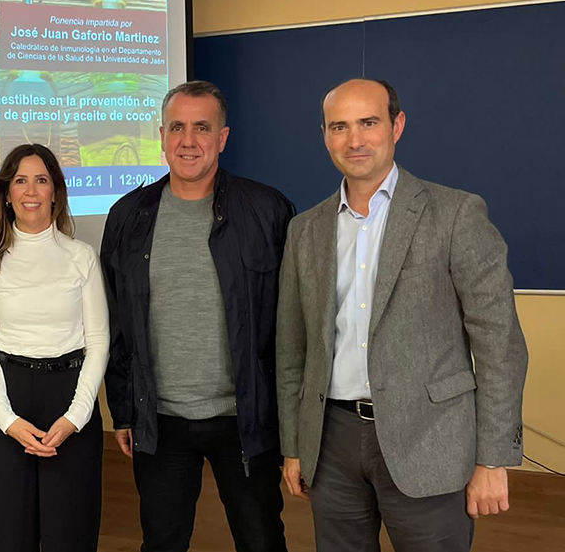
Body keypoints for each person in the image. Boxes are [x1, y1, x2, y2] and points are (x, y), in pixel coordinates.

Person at [276, 79, 528, 552]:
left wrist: (493, 459)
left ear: (397, 125)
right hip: (331, 444)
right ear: (325, 135)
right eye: (339, 127)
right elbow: (293, 350)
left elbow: (500, 343)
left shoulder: (455, 214)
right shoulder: (304, 230)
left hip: (429, 439)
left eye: (368, 123)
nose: (354, 140)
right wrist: (294, 445)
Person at [101, 80, 294, 552]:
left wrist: (290, 422)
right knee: (162, 543)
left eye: (202, 128)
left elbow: (293, 325)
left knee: (263, 541)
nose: (189, 140)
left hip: (245, 418)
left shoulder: (267, 210)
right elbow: (117, 324)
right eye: (178, 127)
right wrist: (124, 411)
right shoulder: (128, 216)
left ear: (223, 138)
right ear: (161, 135)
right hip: (160, 420)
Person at [0, 144, 109, 552]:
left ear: (55, 192)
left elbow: (98, 340)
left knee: (71, 530)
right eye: (20, 180)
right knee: (5, 532)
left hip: (69, 398)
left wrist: (77, 416)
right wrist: (6, 418)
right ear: (7, 193)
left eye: (41, 180)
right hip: (6, 400)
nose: (31, 190)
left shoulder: (80, 257)